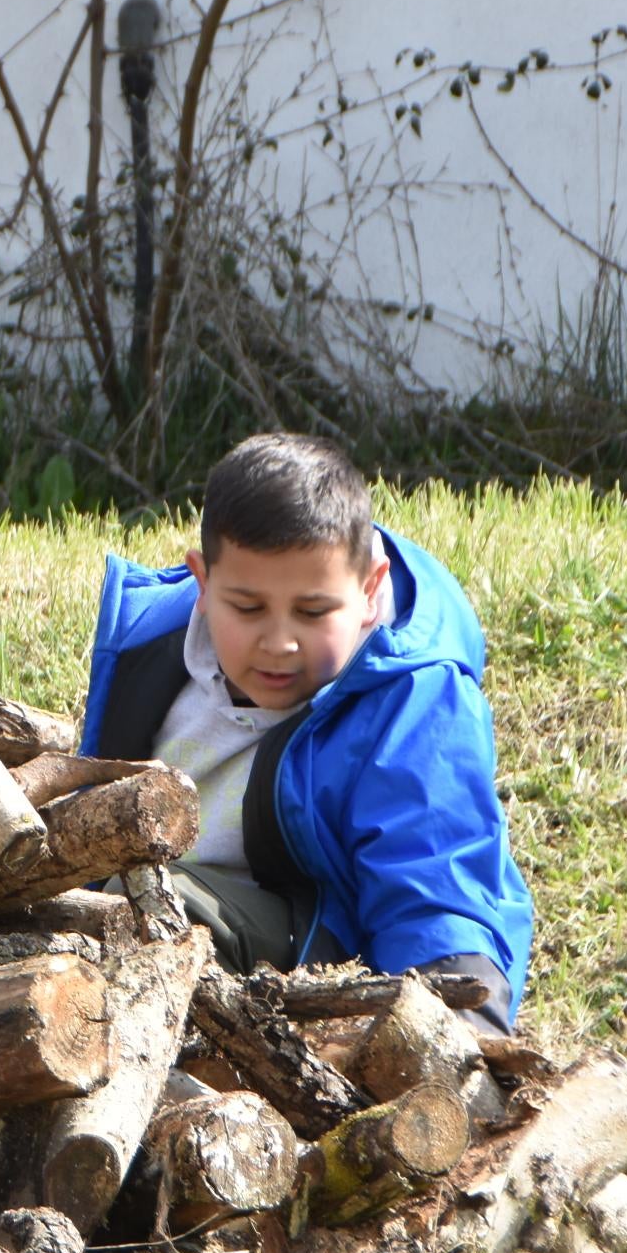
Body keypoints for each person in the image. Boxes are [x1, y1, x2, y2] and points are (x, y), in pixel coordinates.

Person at [79, 433, 531, 1030]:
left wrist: (454, 1032)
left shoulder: (414, 698)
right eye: (247, 608)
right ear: (203, 582)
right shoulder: (151, 640)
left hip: (309, 960)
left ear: (370, 590)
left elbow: (433, 880)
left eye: (314, 613)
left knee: (140, 904)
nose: (279, 641)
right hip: (141, 906)